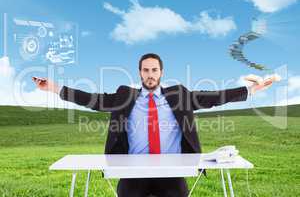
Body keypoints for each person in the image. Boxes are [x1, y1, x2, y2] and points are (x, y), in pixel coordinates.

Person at [33, 53, 274, 197]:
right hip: (132, 172)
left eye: (154, 70)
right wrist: (54, 88)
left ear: (161, 72)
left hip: (172, 172)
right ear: (140, 73)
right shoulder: (124, 95)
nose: (150, 74)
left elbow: (214, 97)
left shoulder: (179, 94)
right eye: (146, 70)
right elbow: (91, 100)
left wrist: (251, 90)